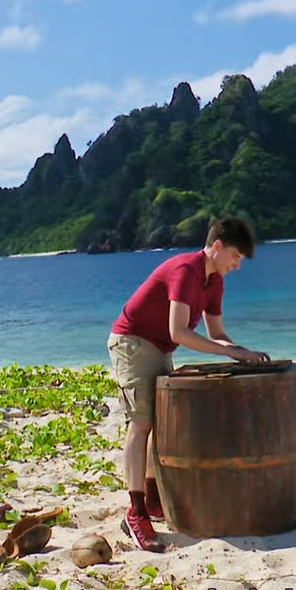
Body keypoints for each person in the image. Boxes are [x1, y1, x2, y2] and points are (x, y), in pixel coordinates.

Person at [106, 216, 271, 552]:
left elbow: (217, 334)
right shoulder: (186, 270)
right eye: (236, 256)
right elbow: (179, 332)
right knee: (141, 423)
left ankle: (153, 499)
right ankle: (135, 512)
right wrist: (231, 352)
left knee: (161, 423)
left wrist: (243, 353)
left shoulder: (215, 282)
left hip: (160, 348)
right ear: (217, 246)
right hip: (132, 343)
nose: (238, 265)